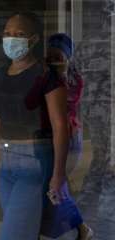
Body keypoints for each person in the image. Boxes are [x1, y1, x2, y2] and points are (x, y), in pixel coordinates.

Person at [0, 12, 69, 240]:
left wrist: (58, 174)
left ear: (33, 40)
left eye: (19, 34)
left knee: (14, 235)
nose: (12, 39)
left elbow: (61, 126)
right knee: (23, 231)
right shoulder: (2, 73)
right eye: (7, 33)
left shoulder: (46, 76)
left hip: (35, 162)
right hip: (6, 161)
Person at [39, 33, 93, 240]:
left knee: (58, 189)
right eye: (50, 55)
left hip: (68, 139)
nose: (53, 60)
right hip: (49, 139)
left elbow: (67, 102)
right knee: (57, 189)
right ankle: (73, 229)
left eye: (58, 56)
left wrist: (59, 75)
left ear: (67, 57)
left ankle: (80, 228)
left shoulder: (73, 79)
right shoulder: (44, 76)